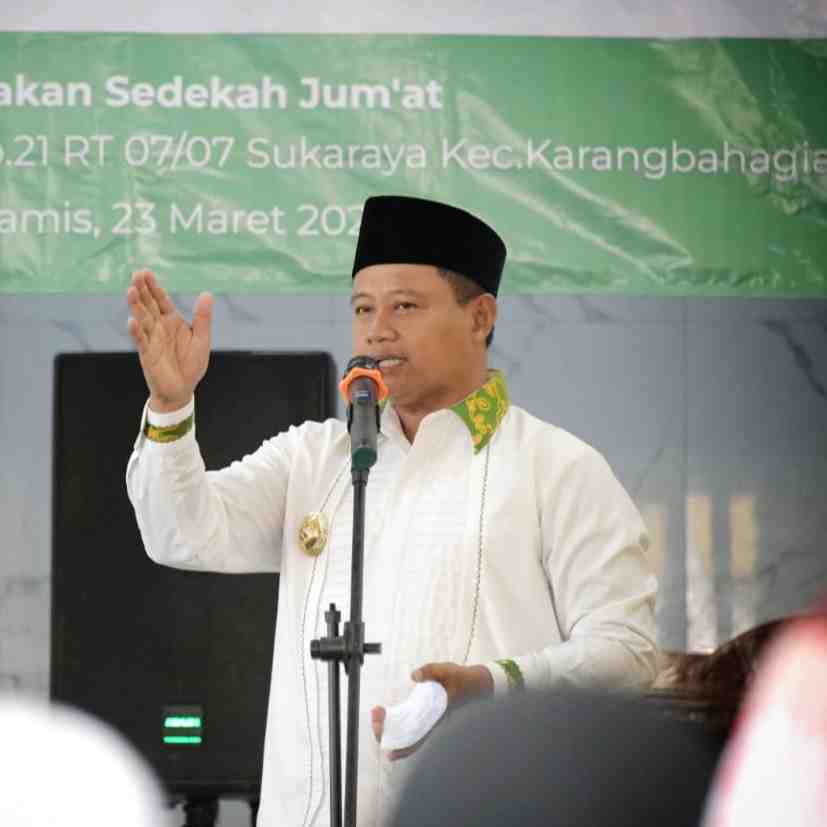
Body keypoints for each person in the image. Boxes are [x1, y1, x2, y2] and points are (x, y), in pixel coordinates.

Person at [125, 195, 658, 826]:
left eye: (404, 306)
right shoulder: (315, 458)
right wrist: (170, 407)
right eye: (362, 309)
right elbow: (182, 534)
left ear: (480, 317)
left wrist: (495, 683)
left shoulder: (557, 467)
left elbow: (627, 653)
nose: (377, 330)